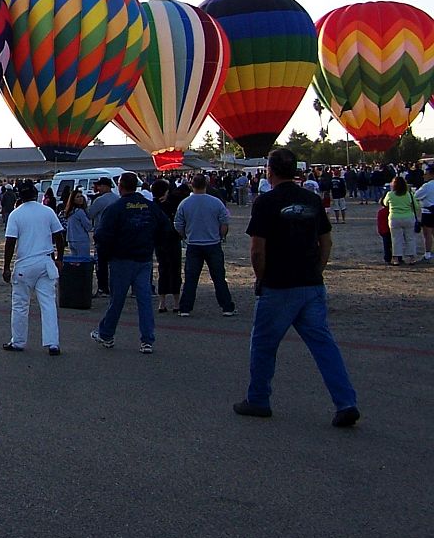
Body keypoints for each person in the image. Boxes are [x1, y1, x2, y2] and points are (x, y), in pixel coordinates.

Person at [235, 148, 360, 427]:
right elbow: (326, 242)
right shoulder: (312, 199)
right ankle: (346, 402)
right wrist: (317, 270)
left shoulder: (266, 202)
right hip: (311, 283)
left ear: (270, 170)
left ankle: (258, 399)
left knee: (264, 344)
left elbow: (257, 249)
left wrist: (261, 277)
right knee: (324, 345)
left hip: (279, 285)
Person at [90, 172, 171, 354]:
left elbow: (101, 235)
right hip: (143, 259)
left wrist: (107, 252)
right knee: (144, 301)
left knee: (117, 300)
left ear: (120, 186)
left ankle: (107, 334)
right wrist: (153, 243)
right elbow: (166, 227)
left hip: (121, 259)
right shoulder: (150, 206)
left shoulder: (116, 208)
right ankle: (147, 340)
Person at [2, 179, 65, 356]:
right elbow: (59, 236)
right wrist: (60, 258)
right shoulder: (47, 211)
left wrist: (6, 267)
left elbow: (10, 242)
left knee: (20, 304)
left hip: (25, 264)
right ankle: (53, 343)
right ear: (35, 194)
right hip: (45, 262)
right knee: (48, 303)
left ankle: (18, 341)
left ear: (19, 196)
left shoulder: (16, 214)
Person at [174, 174, 237, 318]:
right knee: (219, 277)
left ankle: (185, 308)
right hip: (213, 243)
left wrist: (185, 236)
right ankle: (227, 306)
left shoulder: (185, 203)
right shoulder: (216, 202)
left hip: (194, 244)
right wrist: (221, 236)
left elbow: (178, 224)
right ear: (206, 184)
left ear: (191, 184)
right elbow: (224, 222)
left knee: (191, 278)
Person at [151, 180, 183, 314]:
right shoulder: (172, 205)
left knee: (162, 269)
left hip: (159, 241)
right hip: (173, 240)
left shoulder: (153, 206)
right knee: (175, 270)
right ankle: (176, 302)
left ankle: (162, 302)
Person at [87, 177, 118, 297]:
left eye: (99, 186)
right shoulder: (117, 198)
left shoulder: (100, 200)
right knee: (114, 263)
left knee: (101, 264)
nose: (97, 188)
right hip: (116, 235)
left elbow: (90, 214)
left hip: (102, 234)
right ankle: (115, 287)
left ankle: (103, 288)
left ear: (105, 186)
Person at [381, 175, 421, 265]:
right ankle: (412, 258)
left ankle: (396, 258)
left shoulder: (390, 194)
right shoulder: (409, 194)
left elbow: (385, 203)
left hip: (394, 218)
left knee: (396, 239)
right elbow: (417, 206)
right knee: (410, 238)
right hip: (408, 217)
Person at [62, 189, 92, 258]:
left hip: (71, 239)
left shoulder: (69, 212)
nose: (80, 198)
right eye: (77, 197)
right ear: (73, 199)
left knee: (75, 261)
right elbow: (88, 226)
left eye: (81, 196)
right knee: (83, 260)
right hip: (81, 240)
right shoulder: (80, 212)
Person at [416, 165, 434, 262]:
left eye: (426, 174)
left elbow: (417, 195)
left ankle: (428, 254)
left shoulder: (427, 186)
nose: (424, 176)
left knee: (427, 234)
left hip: (428, 212)